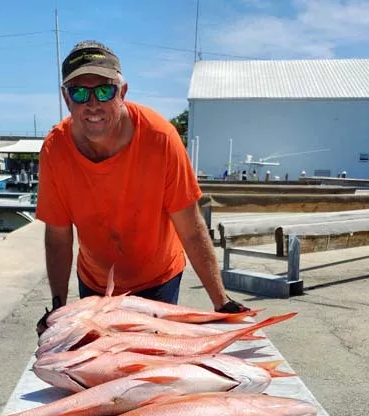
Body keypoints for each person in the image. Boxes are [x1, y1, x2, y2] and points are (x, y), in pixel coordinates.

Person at [35, 40, 247, 329]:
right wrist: (58, 307)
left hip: (158, 279)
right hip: (95, 282)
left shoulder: (161, 139)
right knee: (103, 353)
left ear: (122, 92)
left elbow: (190, 229)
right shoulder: (54, 149)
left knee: (153, 351)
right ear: (66, 97)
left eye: (105, 91)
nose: (93, 104)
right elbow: (58, 237)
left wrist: (221, 301)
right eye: (80, 92)